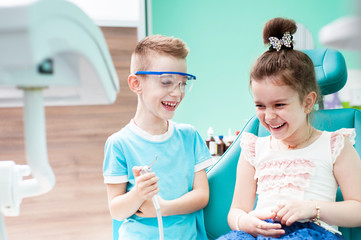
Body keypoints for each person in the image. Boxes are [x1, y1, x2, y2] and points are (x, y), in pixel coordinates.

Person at [218, 17, 361, 240]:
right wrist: (245, 222)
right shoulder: (254, 148)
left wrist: (313, 208)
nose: (269, 115)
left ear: (307, 102)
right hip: (261, 232)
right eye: (260, 105)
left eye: (279, 105)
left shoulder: (335, 145)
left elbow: (359, 208)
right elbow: (236, 211)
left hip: (311, 232)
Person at [103, 35, 213, 240]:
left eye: (182, 83)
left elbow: (202, 195)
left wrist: (164, 208)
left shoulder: (189, 137)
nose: (177, 93)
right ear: (136, 83)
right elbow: (116, 210)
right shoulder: (119, 144)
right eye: (166, 82)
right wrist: (138, 193)